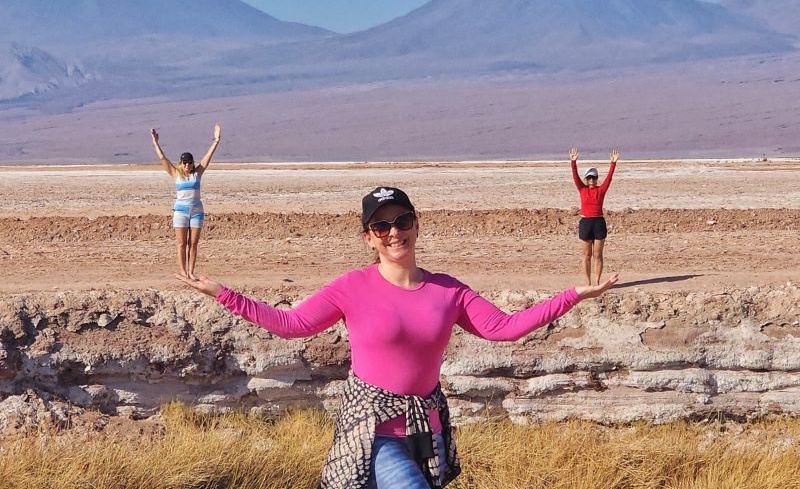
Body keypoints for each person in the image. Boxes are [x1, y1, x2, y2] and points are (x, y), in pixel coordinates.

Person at [176, 186, 619, 489]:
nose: (394, 232)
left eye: (401, 220)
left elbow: (505, 328)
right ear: (369, 237)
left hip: (429, 428)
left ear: (416, 224)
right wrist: (224, 295)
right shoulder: (351, 287)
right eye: (381, 226)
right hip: (374, 430)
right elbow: (292, 325)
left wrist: (574, 295)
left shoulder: (449, 290)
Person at [150, 124, 221, 280]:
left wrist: (216, 140)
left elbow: (207, 158)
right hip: (181, 212)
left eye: (189, 162)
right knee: (181, 243)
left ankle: (190, 272)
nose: (187, 165)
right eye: (184, 163)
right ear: (180, 164)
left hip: (196, 212)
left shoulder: (197, 173)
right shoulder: (176, 174)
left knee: (193, 244)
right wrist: (155, 142)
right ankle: (183, 270)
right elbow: (162, 158)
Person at [569, 148, 619, 286]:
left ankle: (597, 282)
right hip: (586, 222)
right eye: (589, 177)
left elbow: (609, 178)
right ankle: (587, 283)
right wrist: (573, 162)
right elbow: (575, 177)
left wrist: (613, 164)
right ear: (586, 179)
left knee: (598, 255)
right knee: (586, 255)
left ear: (597, 179)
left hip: (598, 223)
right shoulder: (582, 188)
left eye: (594, 177)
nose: (591, 179)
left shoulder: (601, 190)